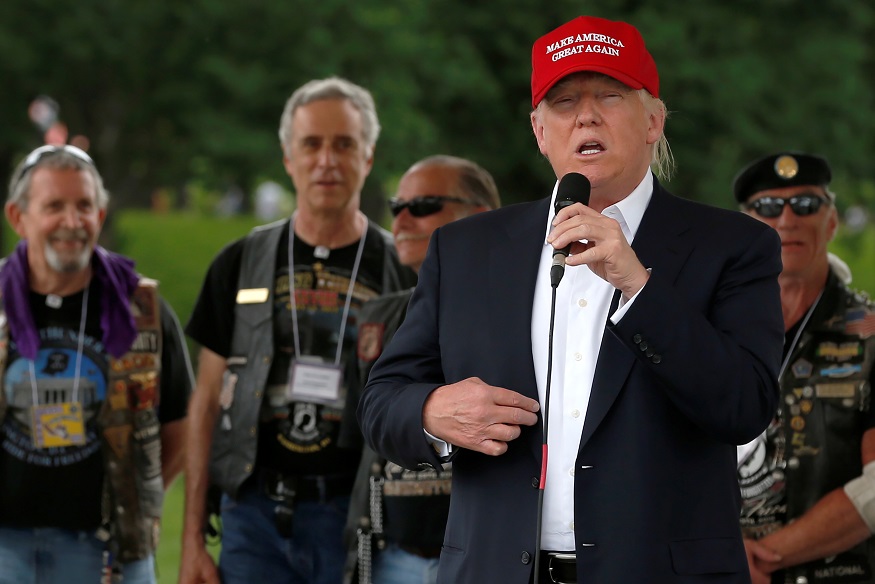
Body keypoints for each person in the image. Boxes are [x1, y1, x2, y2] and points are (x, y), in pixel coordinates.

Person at [358, 15, 785, 584]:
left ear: (654, 120)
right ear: (539, 131)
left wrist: (638, 286)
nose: (586, 114)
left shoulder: (734, 245)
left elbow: (745, 405)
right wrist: (434, 413)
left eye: (610, 94)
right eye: (563, 102)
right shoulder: (465, 250)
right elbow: (382, 401)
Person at [180, 76, 416, 584]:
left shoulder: (402, 269)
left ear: (368, 157)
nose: (327, 160)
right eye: (312, 144)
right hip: (253, 519)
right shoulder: (238, 264)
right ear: (288, 157)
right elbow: (203, 403)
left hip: (358, 517)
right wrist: (192, 540)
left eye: (344, 144)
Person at [0, 144, 192, 584]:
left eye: (84, 206)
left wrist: (139, 503)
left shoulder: (143, 311)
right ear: (18, 217)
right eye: (54, 206)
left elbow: (180, 424)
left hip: (107, 553)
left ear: (100, 216)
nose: (72, 222)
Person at [343, 155, 501, 584]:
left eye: (424, 205)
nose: (403, 219)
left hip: (488, 547)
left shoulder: (521, 307)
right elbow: (357, 434)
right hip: (393, 548)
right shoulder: (374, 315)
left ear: (480, 215)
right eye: (397, 207)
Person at [733, 151, 875, 584]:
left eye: (807, 204)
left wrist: (761, 558)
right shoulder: (704, 330)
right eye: (769, 207)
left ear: (831, 222)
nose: (788, 218)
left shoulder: (870, 334)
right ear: (744, 227)